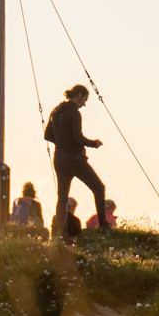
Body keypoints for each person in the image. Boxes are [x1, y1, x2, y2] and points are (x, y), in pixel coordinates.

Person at [43, 83, 106, 240]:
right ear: (78, 95)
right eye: (84, 100)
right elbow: (78, 137)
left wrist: (62, 142)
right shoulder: (74, 113)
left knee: (62, 197)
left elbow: (47, 135)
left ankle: (59, 232)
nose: (84, 104)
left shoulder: (56, 111)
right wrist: (94, 143)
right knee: (98, 187)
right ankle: (104, 226)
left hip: (59, 158)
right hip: (75, 158)